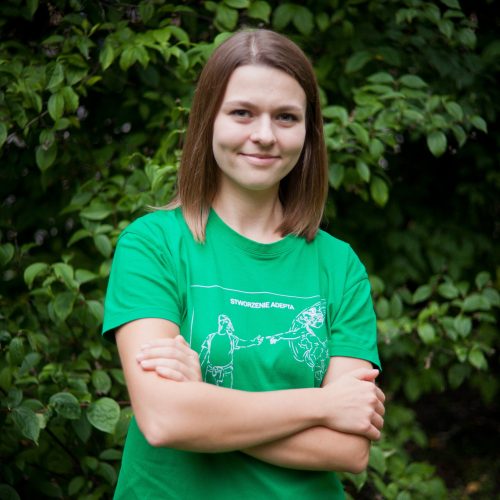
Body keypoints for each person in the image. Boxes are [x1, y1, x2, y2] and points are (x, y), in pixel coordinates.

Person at [102, 28, 385, 499]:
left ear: (308, 133)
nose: (264, 135)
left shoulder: (339, 265)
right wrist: (321, 404)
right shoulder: (152, 245)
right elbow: (165, 419)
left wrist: (204, 405)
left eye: (286, 117)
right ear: (207, 120)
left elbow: (348, 449)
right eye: (242, 113)